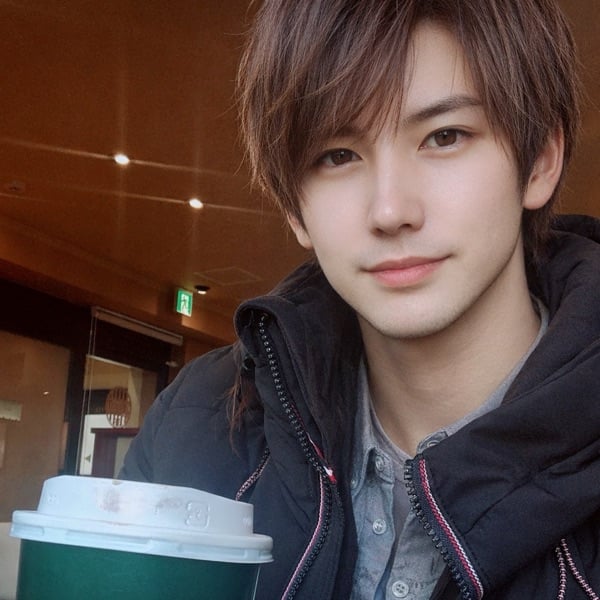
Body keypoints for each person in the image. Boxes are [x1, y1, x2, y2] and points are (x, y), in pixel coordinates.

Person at [121, 1, 600, 598]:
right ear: (294, 208)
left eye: (445, 136)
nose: (391, 210)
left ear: (541, 161)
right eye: (338, 155)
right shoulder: (197, 421)